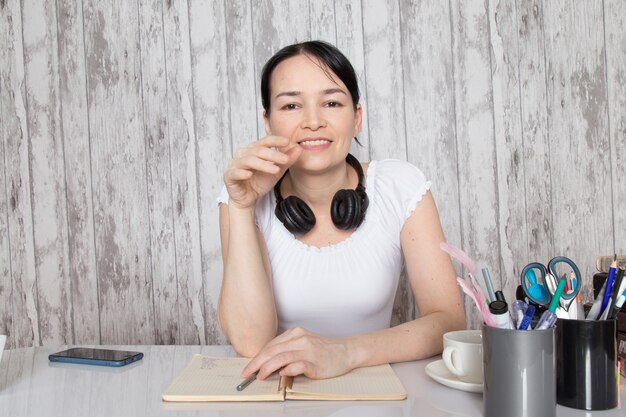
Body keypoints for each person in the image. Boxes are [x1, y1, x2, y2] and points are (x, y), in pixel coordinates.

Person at [217, 40, 465, 382]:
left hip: (377, 397)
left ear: (357, 117)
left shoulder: (400, 185)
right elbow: (250, 342)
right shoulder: (241, 193)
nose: (313, 121)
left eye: (331, 102)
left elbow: (449, 320)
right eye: (291, 106)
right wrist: (242, 208)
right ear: (268, 121)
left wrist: (344, 353)